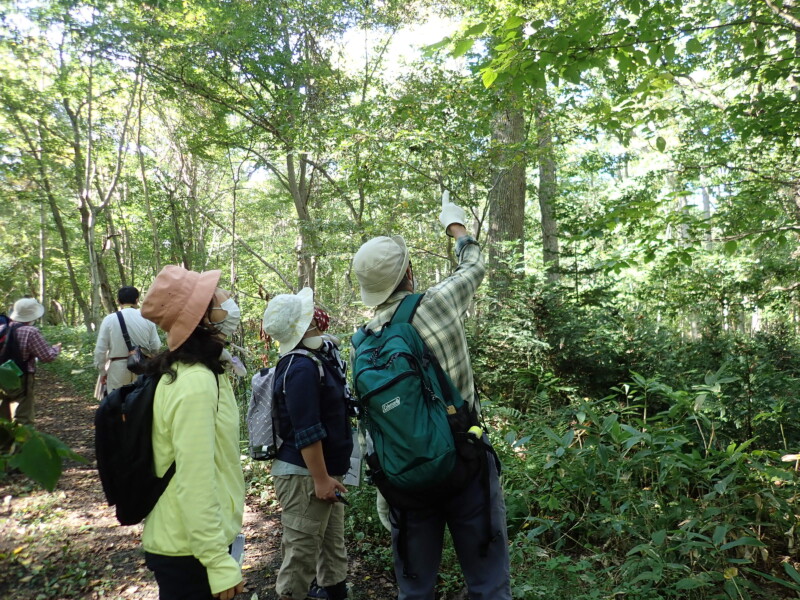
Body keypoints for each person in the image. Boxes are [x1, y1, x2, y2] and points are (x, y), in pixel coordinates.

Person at [351, 192, 511, 600]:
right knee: (488, 584)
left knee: (416, 590)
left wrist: (383, 492)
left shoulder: (364, 343)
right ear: (408, 271)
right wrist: (455, 226)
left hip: (405, 480)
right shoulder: (436, 304)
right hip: (466, 460)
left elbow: (373, 421)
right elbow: (474, 265)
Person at [139, 266, 246, 600]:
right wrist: (217, 561)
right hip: (189, 551)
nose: (229, 300)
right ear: (202, 317)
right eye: (217, 296)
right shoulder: (196, 382)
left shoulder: (200, 372)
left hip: (190, 541)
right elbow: (194, 478)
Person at [261, 288, 352, 600]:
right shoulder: (299, 367)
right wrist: (321, 479)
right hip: (305, 475)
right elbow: (306, 430)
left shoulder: (318, 358)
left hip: (325, 473)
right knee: (300, 556)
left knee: (332, 545)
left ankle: (334, 592)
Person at [0, 297, 61, 429]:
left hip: (2, 376)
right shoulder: (31, 332)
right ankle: (22, 446)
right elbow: (47, 356)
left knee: (2, 417)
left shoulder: (3, 328)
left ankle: (4, 447)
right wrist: (56, 349)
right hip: (22, 377)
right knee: (23, 418)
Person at [93, 286, 161, 396]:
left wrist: (102, 372)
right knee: (140, 403)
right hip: (141, 367)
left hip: (118, 369)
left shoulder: (109, 320)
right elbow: (155, 346)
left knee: (117, 403)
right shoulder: (148, 319)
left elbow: (100, 350)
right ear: (137, 300)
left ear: (118, 301)